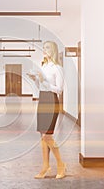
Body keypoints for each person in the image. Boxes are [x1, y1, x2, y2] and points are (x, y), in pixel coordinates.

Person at [27, 41, 66, 179]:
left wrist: (44, 80)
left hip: (51, 101)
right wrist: (35, 80)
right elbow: (41, 86)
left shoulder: (57, 68)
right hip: (42, 99)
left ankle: (61, 165)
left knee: (47, 136)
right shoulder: (43, 66)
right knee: (42, 137)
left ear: (53, 50)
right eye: (43, 48)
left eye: (47, 47)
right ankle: (45, 166)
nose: (44, 50)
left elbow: (59, 90)